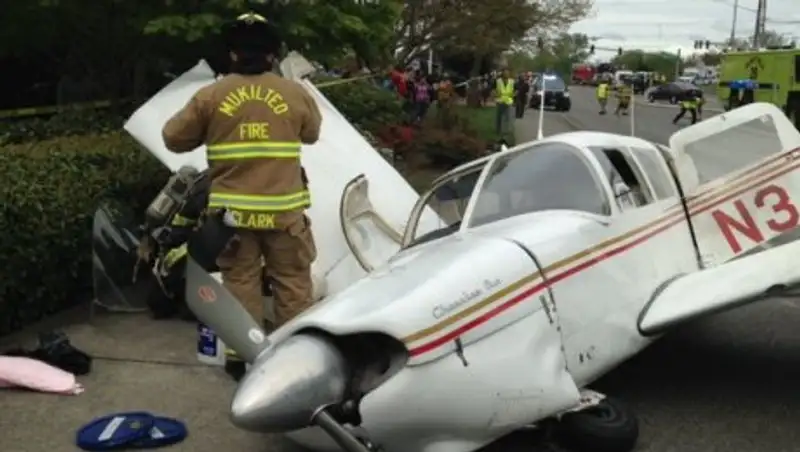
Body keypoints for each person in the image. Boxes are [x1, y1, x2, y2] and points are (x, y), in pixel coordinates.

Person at [160, 12, 321, 380]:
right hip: (285, 214)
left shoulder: (211, 95)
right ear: (272, 55)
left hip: (231, 218)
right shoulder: (294, 93)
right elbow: (311, 134)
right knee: (293, 282)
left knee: (240, 282)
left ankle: (242, 357)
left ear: (232, 54)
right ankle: (298, 360)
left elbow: (173, 137)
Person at [494, 68, 515, 137]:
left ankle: (506, 131)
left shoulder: (512, 81)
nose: (506, 74)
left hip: (508, 101)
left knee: (508, 117)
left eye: (508, 72)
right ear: (502, 73)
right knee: (498, 117)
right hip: (500, 101)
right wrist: (495, 94)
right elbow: (493, 89)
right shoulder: (498, 81)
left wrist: (514, 95)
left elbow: (517, 89)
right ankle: (498, 130)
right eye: (505, 72)